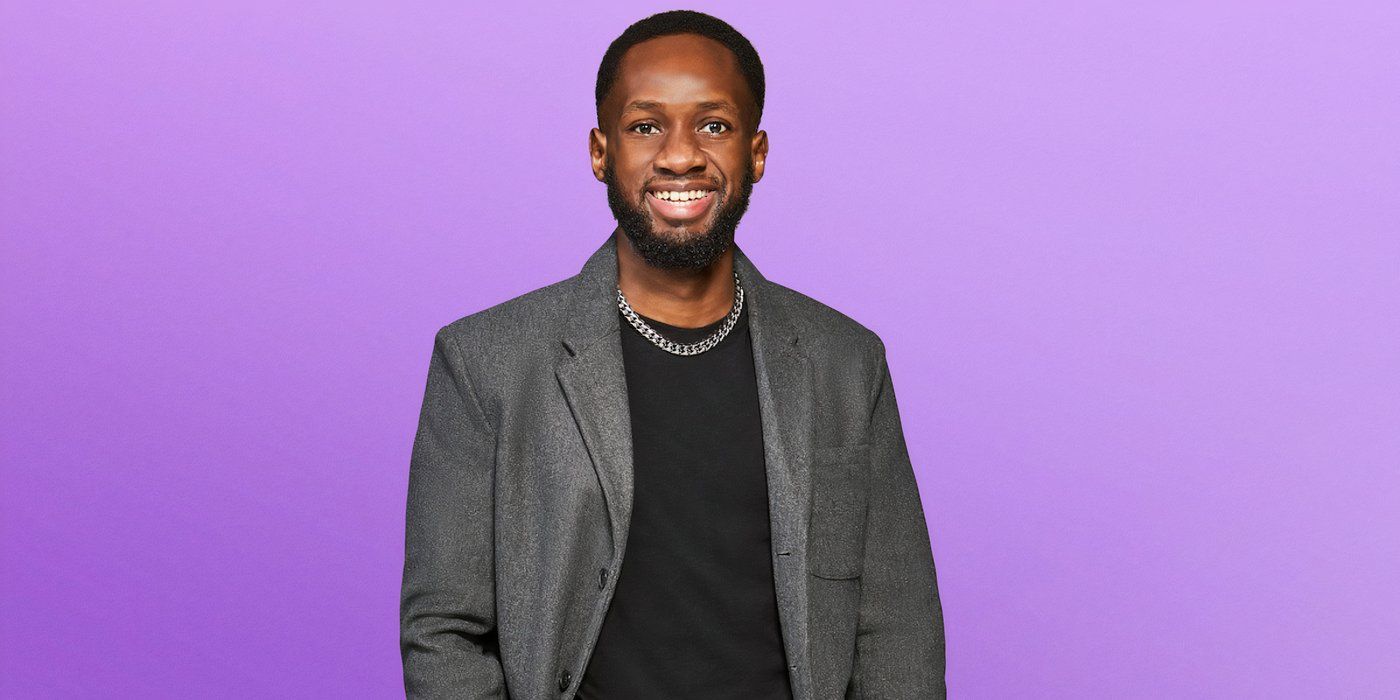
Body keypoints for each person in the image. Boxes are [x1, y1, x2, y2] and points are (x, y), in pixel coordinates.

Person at [399, 10, 945, 699]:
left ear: (757, 152)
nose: (680, 154)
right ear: (601, 152)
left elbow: (899, 629)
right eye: (645, 125)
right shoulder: (485, 363)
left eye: (713, 125)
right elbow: (444, 631)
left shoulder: (846, 363)